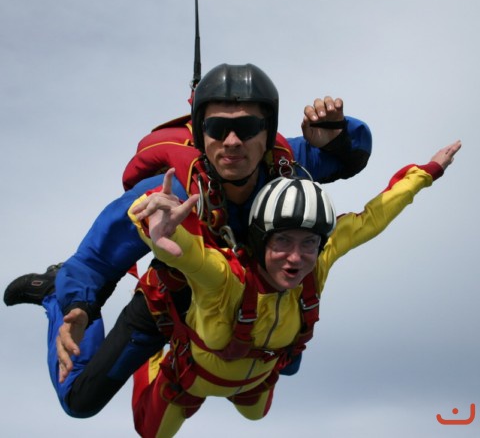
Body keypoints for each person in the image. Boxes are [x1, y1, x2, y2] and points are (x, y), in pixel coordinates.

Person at [3, 63, 372, 418]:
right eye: (216, 128)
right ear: (199, 133)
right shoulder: (168, 194)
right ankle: (53, 292)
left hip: (249, 299)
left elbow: (352, 154)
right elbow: (96, 259)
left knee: (287, 361)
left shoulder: (286, 164)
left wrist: (337, 137)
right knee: (80, 400)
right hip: (172, 300)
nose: (232, 142)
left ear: (267, 133)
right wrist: (77, 306)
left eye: (247, 128)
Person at [127, 140, 461, 438]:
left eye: (308, 243)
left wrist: (427, 172)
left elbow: (375, 217)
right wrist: (160, 227)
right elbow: (188, 254)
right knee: (150, 433)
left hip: (256, 382)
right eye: (283, 241)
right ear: (260, 240)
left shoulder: (318, 263)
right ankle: (153, 358)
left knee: (256, 415)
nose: (296, 257)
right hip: (189, 380)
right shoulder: (226, 278)